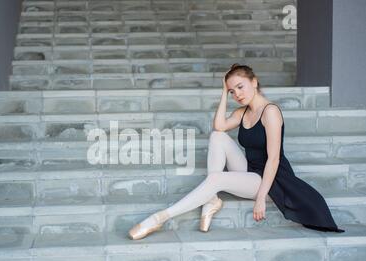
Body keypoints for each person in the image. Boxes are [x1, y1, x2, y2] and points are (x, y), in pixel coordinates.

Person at [128, 64, 344, 240]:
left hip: (271, 182)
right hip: (250, 172)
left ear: (254, 82)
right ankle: (210, 199)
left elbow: (274, 159)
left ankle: (159, 218)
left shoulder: (271, 112)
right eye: (232, 91)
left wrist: (260, 198)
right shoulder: (243, 112)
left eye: (240, 87)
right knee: (217, 136)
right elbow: (219, 126)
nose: (237, 94)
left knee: (216, 177)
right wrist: (223, 92)